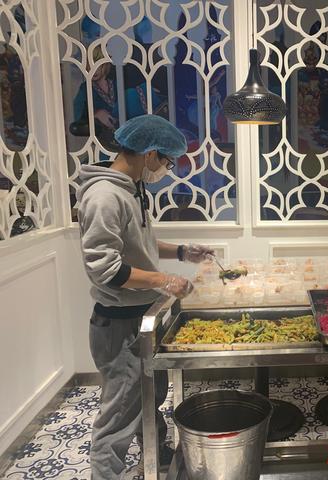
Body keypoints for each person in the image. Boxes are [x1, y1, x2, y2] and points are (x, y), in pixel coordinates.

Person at [77, 114, 217, 479]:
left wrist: (183, 252)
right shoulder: (105, 197)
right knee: (119, 413)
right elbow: (105, 269)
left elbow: (140, 242)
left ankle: (156, 453)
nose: (167, 169)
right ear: (150, 154)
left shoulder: (131, 189)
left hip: (141, 317)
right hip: (118, 325)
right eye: (168, 161)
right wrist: (165, 280)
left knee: (147, 395)